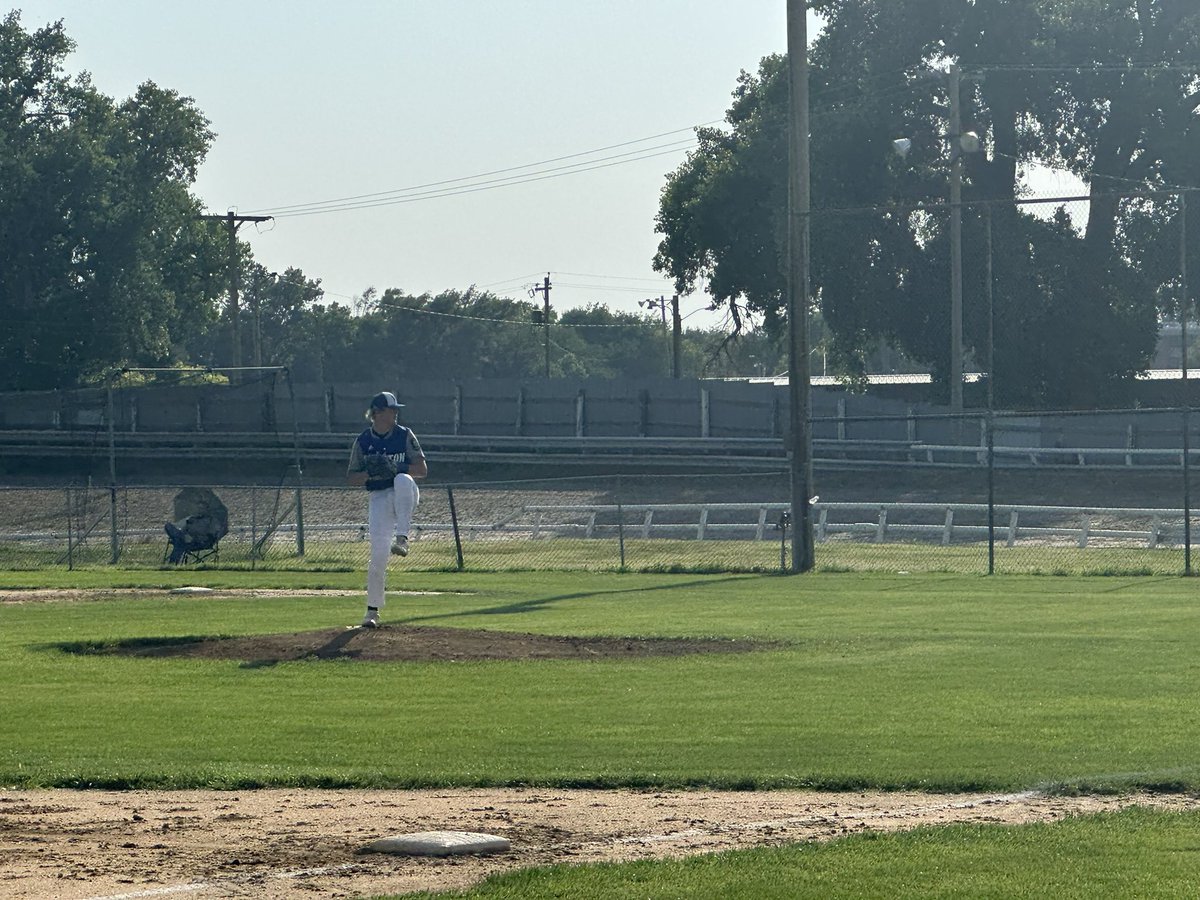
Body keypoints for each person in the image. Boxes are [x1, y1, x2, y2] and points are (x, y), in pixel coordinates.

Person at [346, 391, 428, 627]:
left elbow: (422, 470)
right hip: (379, 497)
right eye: (392, 409)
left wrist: (395, 466)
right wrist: (370, 472)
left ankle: (402, 538)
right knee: (378, 556)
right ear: (378, 413)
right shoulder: (363, 440)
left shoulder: (404, 435)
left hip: (404, 493)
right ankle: (372, 611)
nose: (396, 413)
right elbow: (351, 478)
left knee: (402, 479)